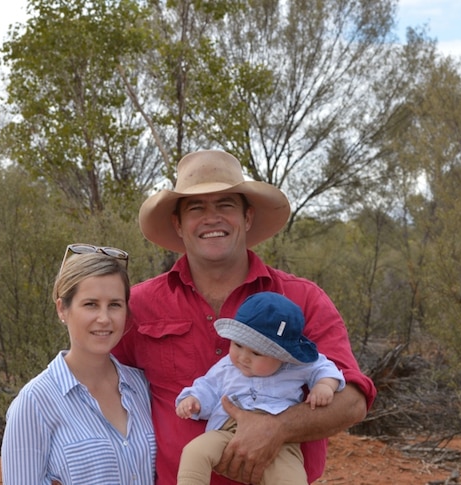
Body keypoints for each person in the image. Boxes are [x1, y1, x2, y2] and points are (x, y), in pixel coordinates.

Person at [112, 149, 377, 485]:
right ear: (178, 224)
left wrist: (278, 427)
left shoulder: (303, 298)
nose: (212, 218)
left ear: (247, 217)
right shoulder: (138, 304)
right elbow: (97, 387)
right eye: (196, 208)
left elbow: (353, 401)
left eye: (225, 205)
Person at [1, 244, 156, 485]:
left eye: (114, 304)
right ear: (62, 308)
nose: (104, 319)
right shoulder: (34, 403)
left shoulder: (143, 387)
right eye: (90, 304)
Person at [175, 291, 346, 485]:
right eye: (238, 345)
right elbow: (208, 386)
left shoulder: (295, 366)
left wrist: (324, 385)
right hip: (227, 432)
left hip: (280, 444)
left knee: (290, 478)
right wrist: (194, 401)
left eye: (256, 353)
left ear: (283, 355)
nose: (243, 357)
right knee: (195, 451)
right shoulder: (226, 367)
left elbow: (324, 367)